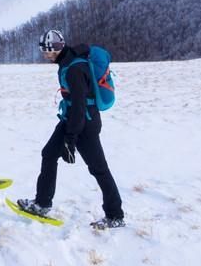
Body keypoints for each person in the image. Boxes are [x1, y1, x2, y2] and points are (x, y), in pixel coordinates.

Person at [17, 29, 125, 229]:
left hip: (84, 122)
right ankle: (41, 203)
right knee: (49, 154)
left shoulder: (74, 68)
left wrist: (70, 138)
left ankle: (115, 215)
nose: (45, 54)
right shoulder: (68, 61)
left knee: (99, 168)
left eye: (47, 51)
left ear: (56, 48)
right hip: (73, 119)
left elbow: (79, 105)